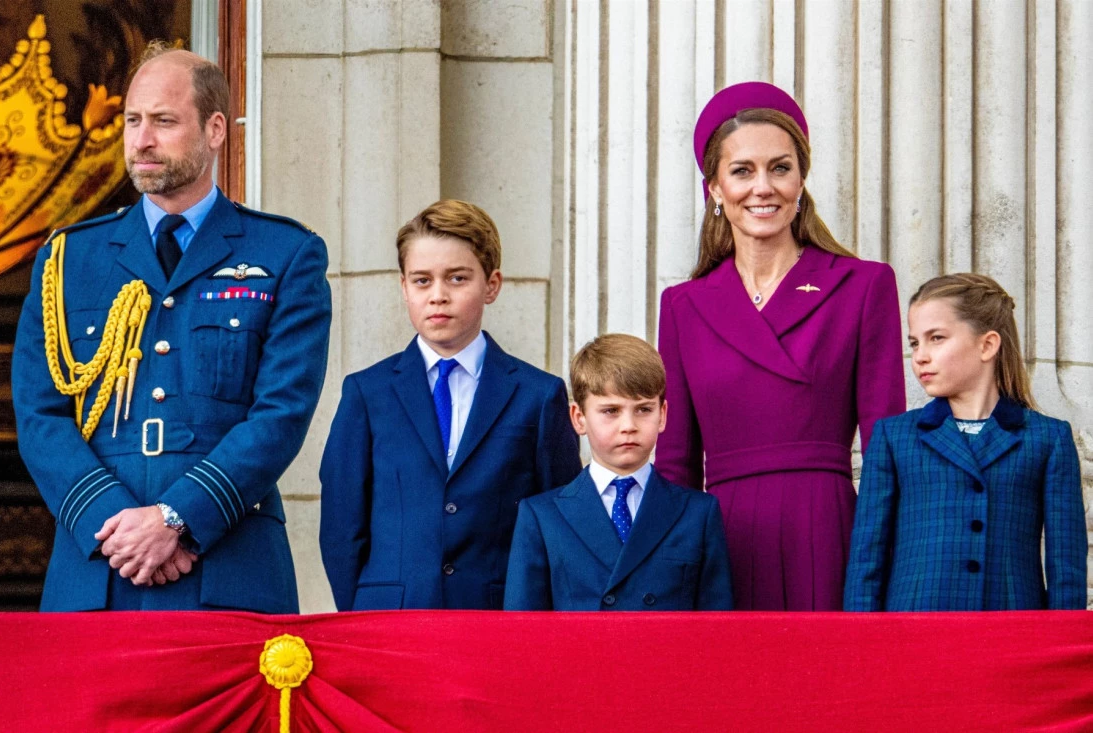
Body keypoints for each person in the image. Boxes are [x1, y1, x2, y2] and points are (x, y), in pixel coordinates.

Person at [11, 42, 332, 611]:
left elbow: (281, 414)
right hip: (99, 566)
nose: (141, 140)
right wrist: (116, 524)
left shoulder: (285, 254)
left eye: (163, 121)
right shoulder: (68, 259)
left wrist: (178, 518)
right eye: (133, 121)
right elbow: (40, 415)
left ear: (215, 130)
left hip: (229, 568)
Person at [655, 81, 906, 611]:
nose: (763, 188)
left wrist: (880, 567)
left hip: (829, 533)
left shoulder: (863, 286)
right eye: (742, 171)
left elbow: (886, 451)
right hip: (721, 542)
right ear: (715, 188)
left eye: (780, 168)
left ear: (801, 179)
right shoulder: (683, 305)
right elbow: (676, 464)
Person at [319, 199, 582, 611]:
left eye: (457, 278)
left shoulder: (539, 395)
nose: (438, 296)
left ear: (491, 285)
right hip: (389, 620)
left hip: (496, 620)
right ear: (404, 287)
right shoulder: (366, 393)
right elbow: (341, 525)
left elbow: (559, 525)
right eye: (422, 281)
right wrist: (361, 617)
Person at [844, 274, 1087, 610]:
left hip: (1011, 628)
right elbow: (866, 559)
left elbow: (1067, 569)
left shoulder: (1047, 438)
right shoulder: (894, 436)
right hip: (914, 627)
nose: (920, 356)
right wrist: (863, 635)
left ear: (987, 345)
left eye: (936, 338)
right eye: (915, 343)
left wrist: (1061, 638)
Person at [504, 334, 733, 611]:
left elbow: (716, 624)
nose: (628, 426)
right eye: (611, 410)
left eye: (643, 409)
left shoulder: (698, 514)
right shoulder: (542, 516)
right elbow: (523, 627)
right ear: (579, 417)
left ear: (662, 415)